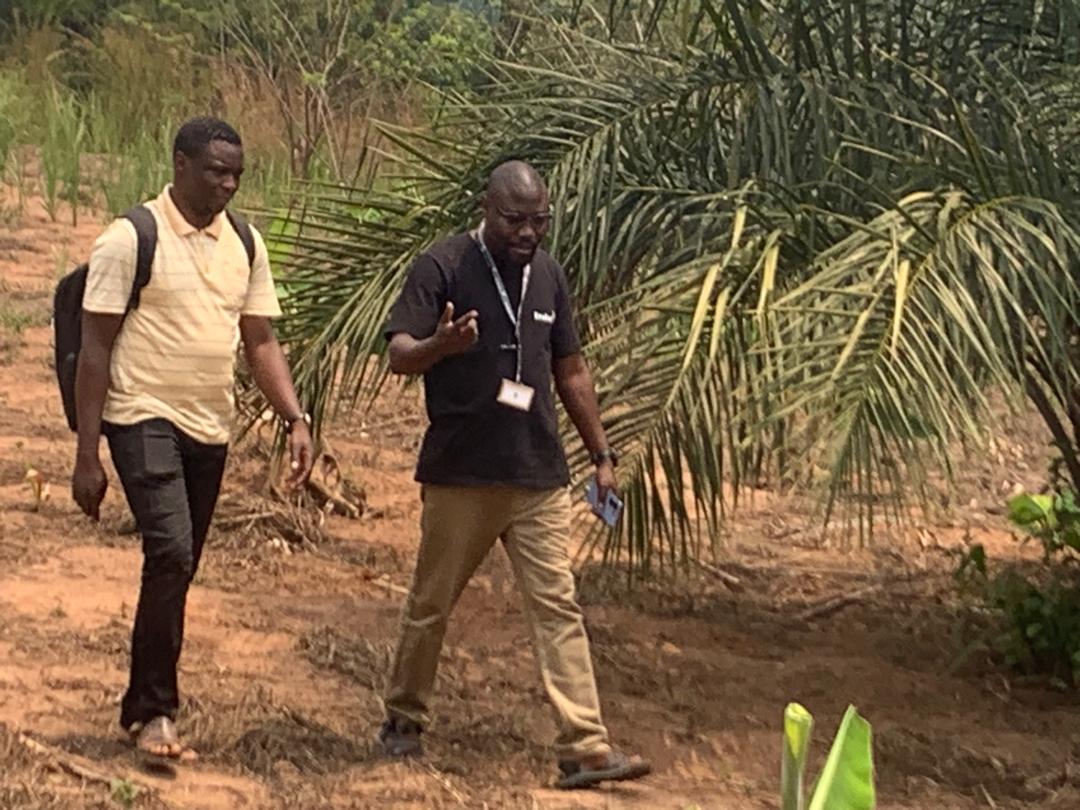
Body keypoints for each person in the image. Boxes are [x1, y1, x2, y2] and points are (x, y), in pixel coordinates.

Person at [379, 160, 651, 789]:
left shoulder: (548, 276)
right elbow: (398, 355)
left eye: (540, 220)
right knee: (431, 604)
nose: (529, 232)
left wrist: (602, 456)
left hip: (537, 475)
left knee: (558, 605)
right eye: (515, 219)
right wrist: (438, 347)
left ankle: (583, 747)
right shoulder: (443, 265)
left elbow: (572, 371)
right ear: (486, 207)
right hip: (461, 474)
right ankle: (403, 720)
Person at [71, 117, 314, 760]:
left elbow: (260, 339)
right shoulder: (131, 238)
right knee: (173, 551)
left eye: (236, 173)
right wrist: (87, 455)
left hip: (211, 424)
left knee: (177, 567)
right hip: (139, 413)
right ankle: (156, 713)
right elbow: (94, 350)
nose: (228, 184)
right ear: (179, 164)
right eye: (216, 171)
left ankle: (139, 706)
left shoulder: (246, 243)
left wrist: (295, 418)